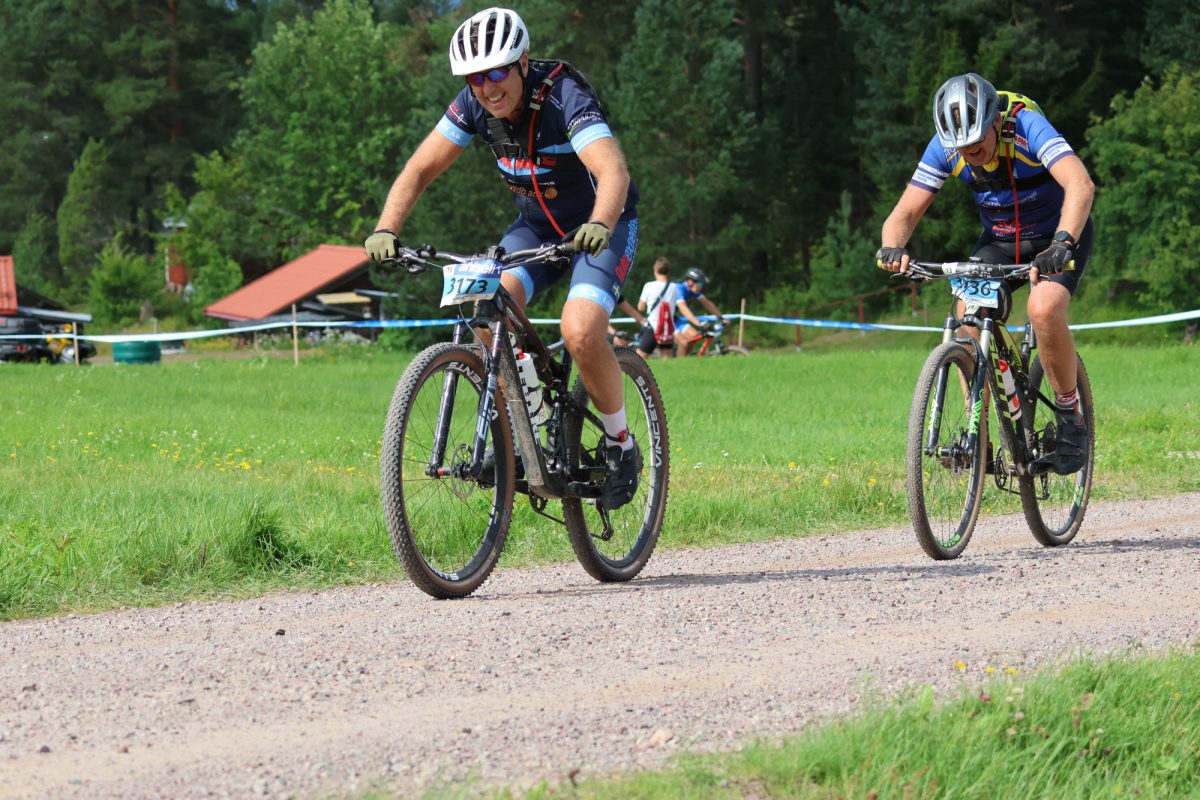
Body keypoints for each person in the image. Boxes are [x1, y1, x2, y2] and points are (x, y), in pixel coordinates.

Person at [364, 7, 642, 508]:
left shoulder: (563, 96)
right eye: (475, 77)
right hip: (535, 230)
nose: (487, 88)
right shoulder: (473, 106)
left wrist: (601, 222)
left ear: (522, 64)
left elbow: (612, 171)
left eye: (496, 73)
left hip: (603, 225)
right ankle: (525, 432)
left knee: (580, 330)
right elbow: (420, 168)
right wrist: (387, 227)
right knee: (488, 315)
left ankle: (621, 444)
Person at [877, 72, 1095, 475]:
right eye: (961, 147)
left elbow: (1080, 184)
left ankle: (1070, 416)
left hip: (1056, 235)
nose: (969, 152)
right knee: (968, 314)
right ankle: (976, 436)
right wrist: (893, 246)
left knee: (1043, 309)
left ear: (995, 120)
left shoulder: (1026, 126)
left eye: (976, 142)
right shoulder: (947, 147)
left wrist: (1063, 242)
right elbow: (904, 212)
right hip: (1001, 239)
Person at [632, 257, 679, 359]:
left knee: (639, 358)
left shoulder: (649, 286)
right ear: (668, 271)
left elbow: (640, 307)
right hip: (667, 328)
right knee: (667, 359)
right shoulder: (674, 287)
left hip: (653, 327)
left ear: (655, 270)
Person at [673, 267, 725, 357]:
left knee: (694, 336)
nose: (701, 287)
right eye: (699, 284)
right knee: (683, 342)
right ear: (690, 282)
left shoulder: (693, 289)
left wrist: (721, 317)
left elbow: (707, 303)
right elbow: (683, 308)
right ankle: (679, 362)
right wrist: (699, 324)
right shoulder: (678, 288)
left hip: (672, 318)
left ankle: (682, 358)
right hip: (662, 319)